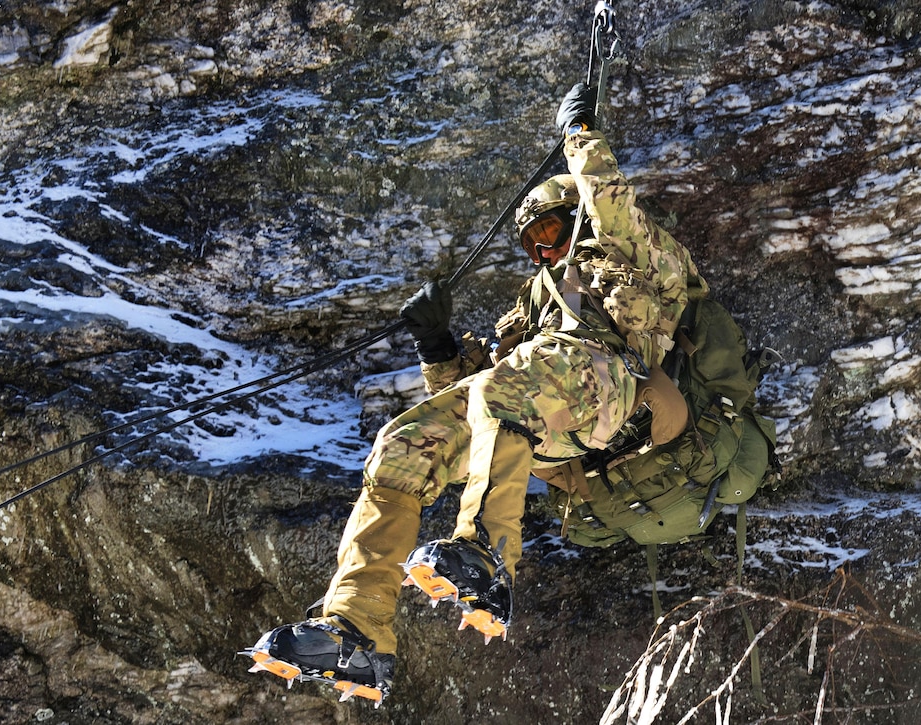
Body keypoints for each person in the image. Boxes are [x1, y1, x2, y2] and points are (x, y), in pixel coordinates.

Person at [242, 83, 709, 705]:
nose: (544, 251)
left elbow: (610, 199)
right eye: (533, 244)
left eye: (553, 233)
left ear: (580, 220)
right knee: (404, 443)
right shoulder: (536, 303)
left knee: (505, 388)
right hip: (549, 415)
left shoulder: (635, 257)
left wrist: (579, 135)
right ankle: (356, 629)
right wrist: (436, 345)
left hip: (618, 390)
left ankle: (486, 558)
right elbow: (474, 400)